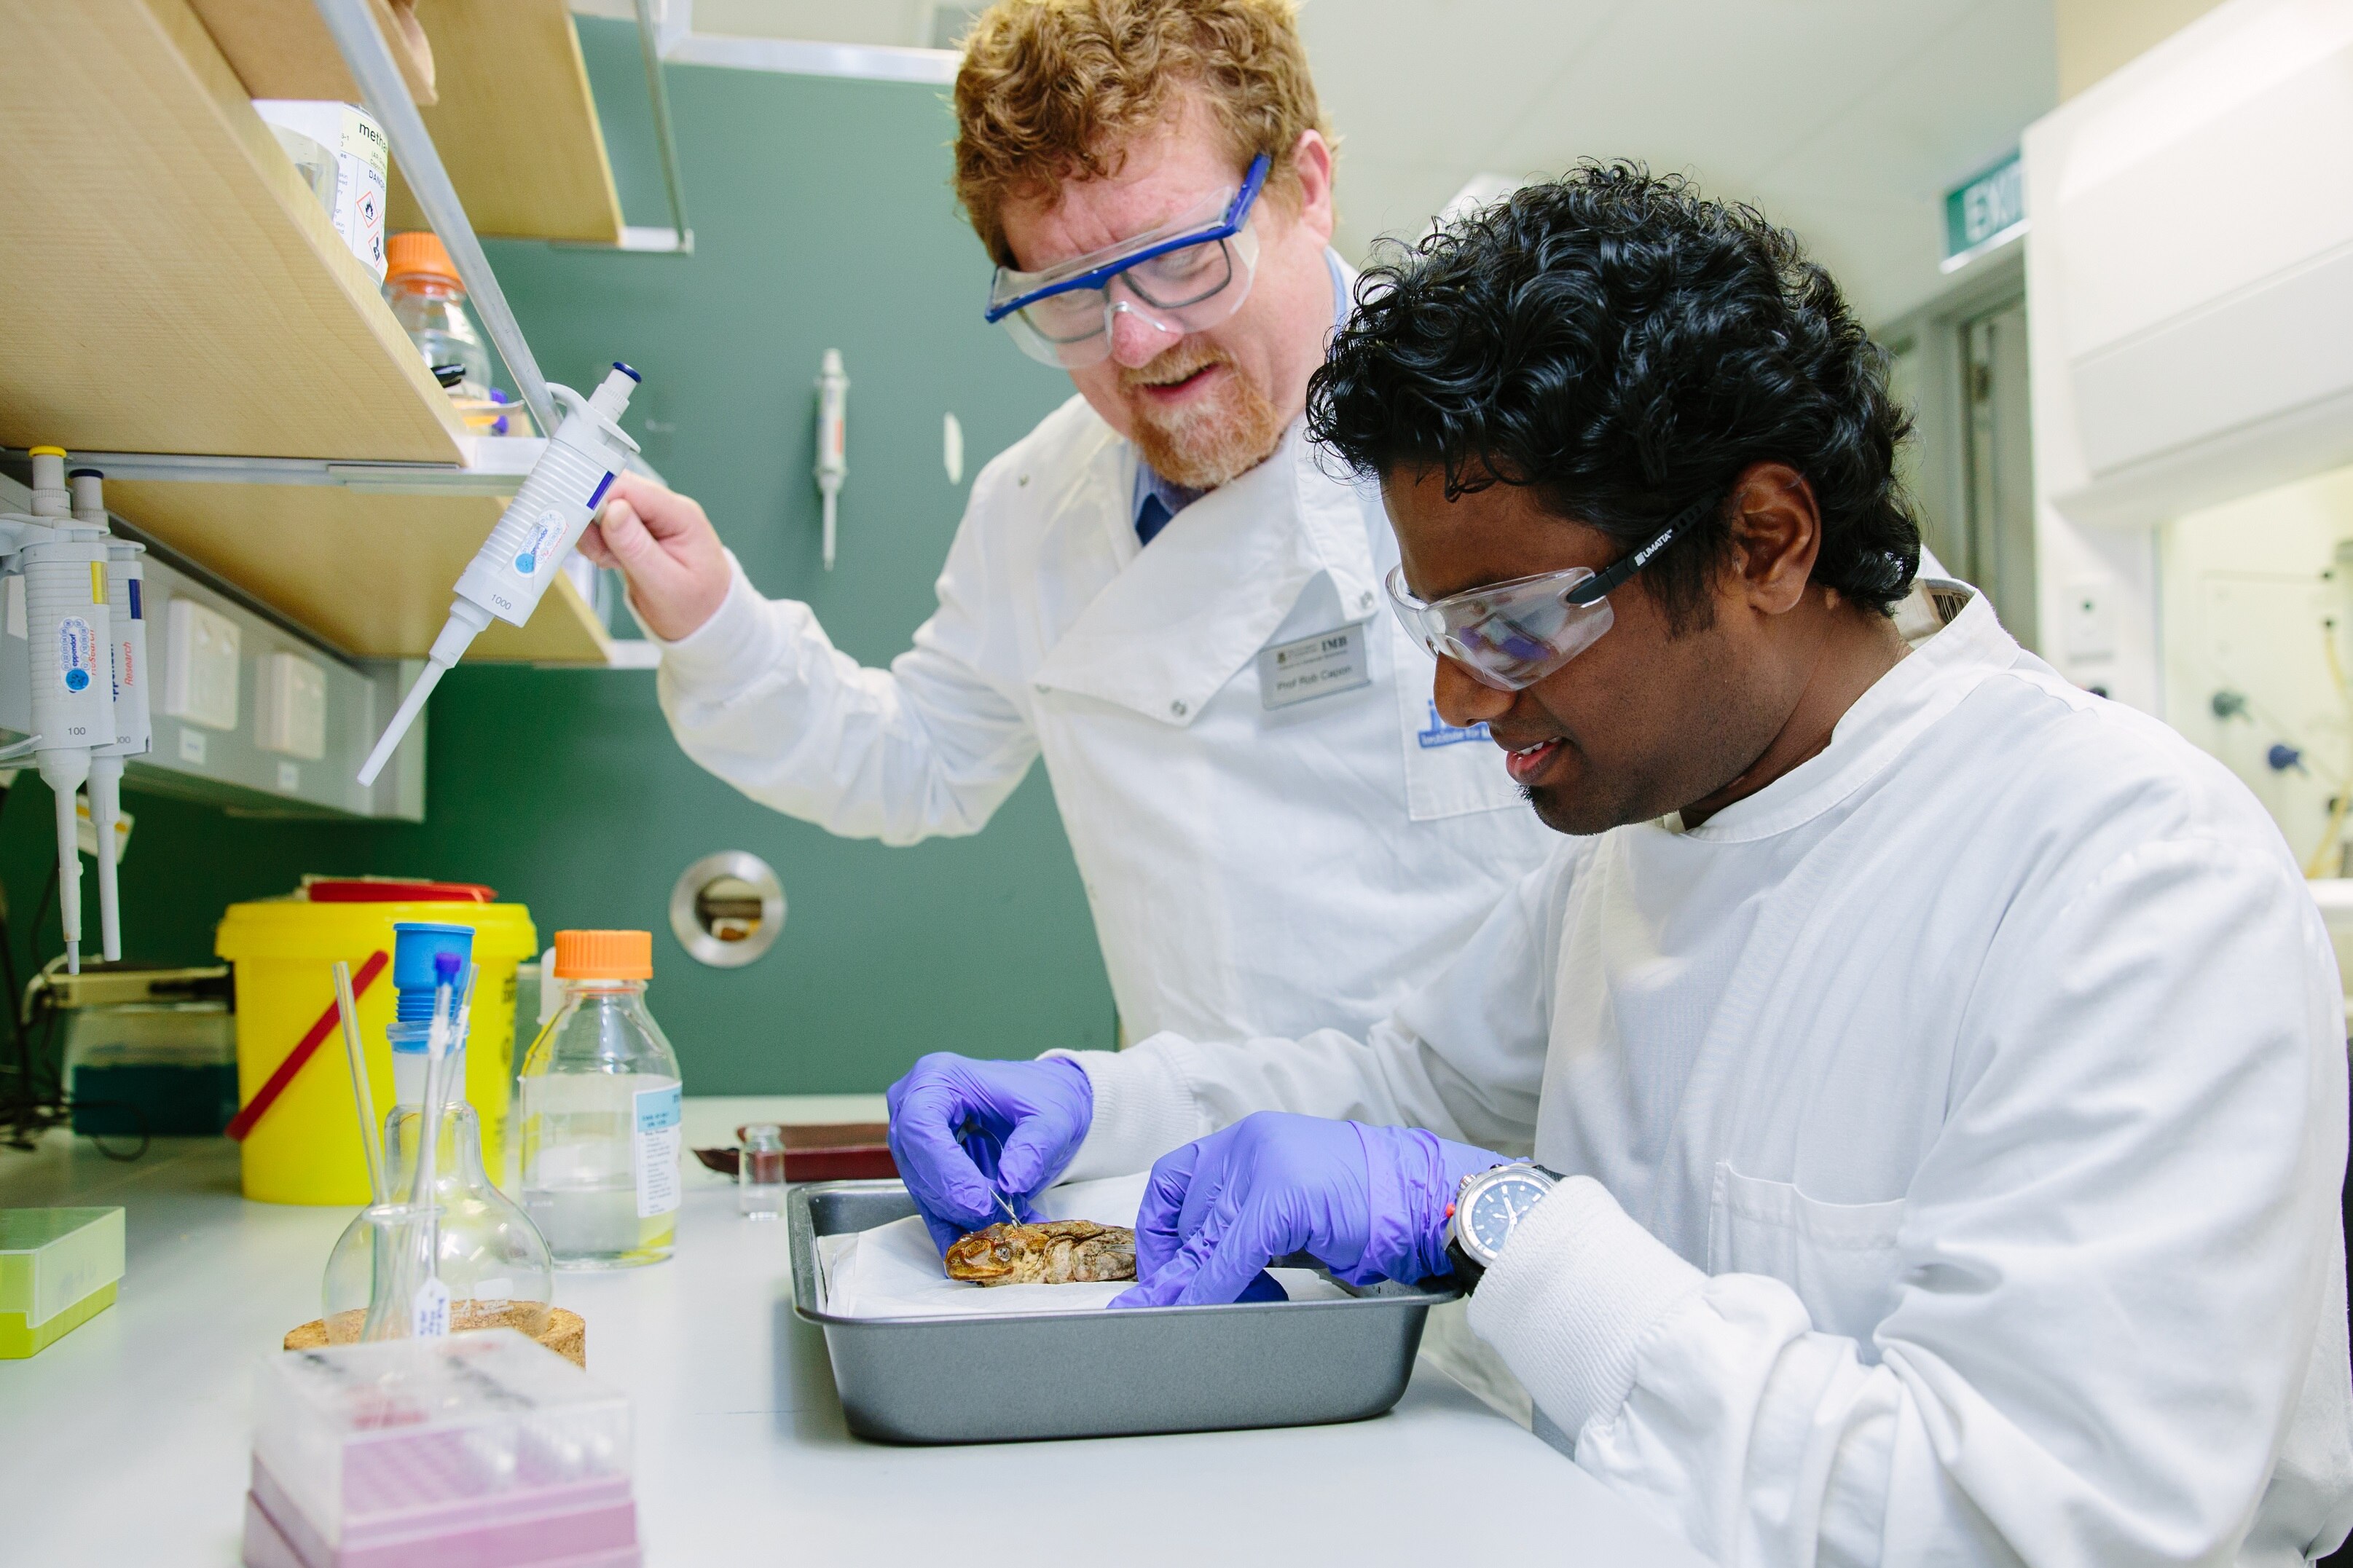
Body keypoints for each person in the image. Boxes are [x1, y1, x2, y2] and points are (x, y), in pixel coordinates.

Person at [886, 166, 2353, 1563]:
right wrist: (1094, 1103)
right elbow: (1407, 1096)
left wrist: (1505, 1226)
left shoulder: (2125, 878)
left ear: (1765, 541)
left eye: (1509, 623)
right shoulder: (1641, 845)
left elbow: (2030, 1528)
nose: (1456, 699)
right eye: (1439, 632)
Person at [578, 0, 1550, 1184]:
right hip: (1205, 1191)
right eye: (1066, 297)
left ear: (1307, 185)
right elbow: (919, 760)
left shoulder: (1508, 434)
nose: (1136, 341)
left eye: (1184, 259)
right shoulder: (1037, 502)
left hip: (1518, 1193)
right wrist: (711, 616)